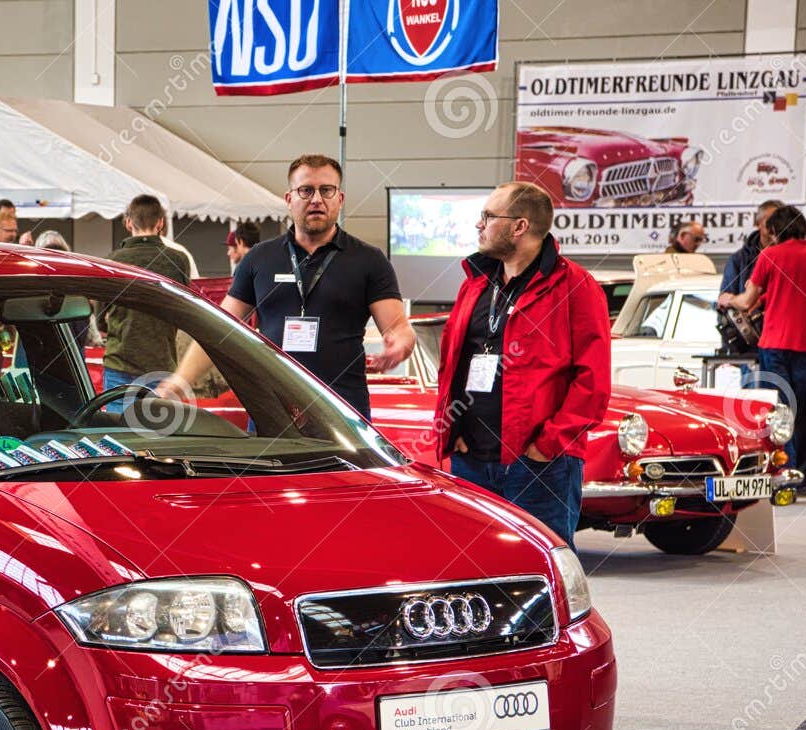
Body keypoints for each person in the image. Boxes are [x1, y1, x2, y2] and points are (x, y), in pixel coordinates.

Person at [162, 154, 411, 419]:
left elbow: (399, 328)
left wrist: (401, 344)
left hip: (344, 414)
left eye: (326, 190)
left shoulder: (368, 260)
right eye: (306, 190)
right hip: (271, 412)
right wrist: (181, 380)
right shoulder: (259, 259)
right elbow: (218, 329)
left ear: (340, 199)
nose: (316, 199)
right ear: (289, 199)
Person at [436, 181, 611, 547]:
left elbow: (592, 382)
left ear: (520, 226)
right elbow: (453, 364)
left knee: (544, 571)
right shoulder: (476, 285)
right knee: (475, 569)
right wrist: (454, 431)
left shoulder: (575, 287)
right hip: (472, 459)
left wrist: (547, 445)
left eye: (487, 216)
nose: (478, 225)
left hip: (539, 465)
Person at [718, 205, 806, 479]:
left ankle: (785, 474)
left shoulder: (769, 255)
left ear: (773, 229)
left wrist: (728, 299)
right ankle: (804, 475)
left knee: (780, 410)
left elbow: (745, 302)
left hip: (776, 345)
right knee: (804, 411)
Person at [97, 194, 191, 393]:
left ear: (129, 222)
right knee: (156, 424)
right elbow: (184, 313)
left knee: (117, 424)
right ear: (160, 223)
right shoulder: (178, 261)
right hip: (161, 365)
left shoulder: (111, 261)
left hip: (119, 363)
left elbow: (100, 319)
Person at [717, 199, 782, 353]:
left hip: (782, 342)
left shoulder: (790, 258)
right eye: (770, 221)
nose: (775, 226)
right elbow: (724, 302)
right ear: (758, 223)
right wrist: (731, 347)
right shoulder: (739, 260)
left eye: (780, 221)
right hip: (749, 346)